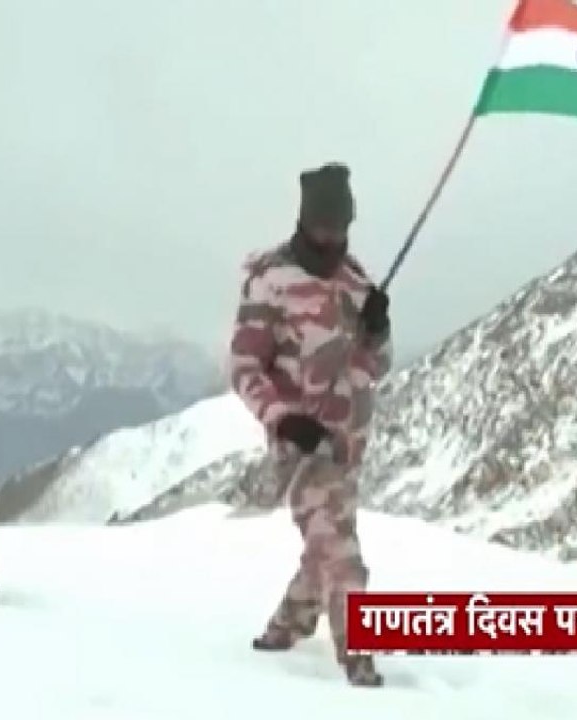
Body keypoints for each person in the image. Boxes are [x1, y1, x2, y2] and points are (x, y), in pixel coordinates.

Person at [228, 163, 392, 687]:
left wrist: (375, 332)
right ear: (305, 220)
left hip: (346, 441)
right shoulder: (272, 282)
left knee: (325, 539)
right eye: (323, 225)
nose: (332, 236)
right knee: (341, 552)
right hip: (300, 446)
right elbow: (244, 366)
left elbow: (375, 366)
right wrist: (282, 418)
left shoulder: (356, 281)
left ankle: (286, 626)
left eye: (340, 226)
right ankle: (359, 659)